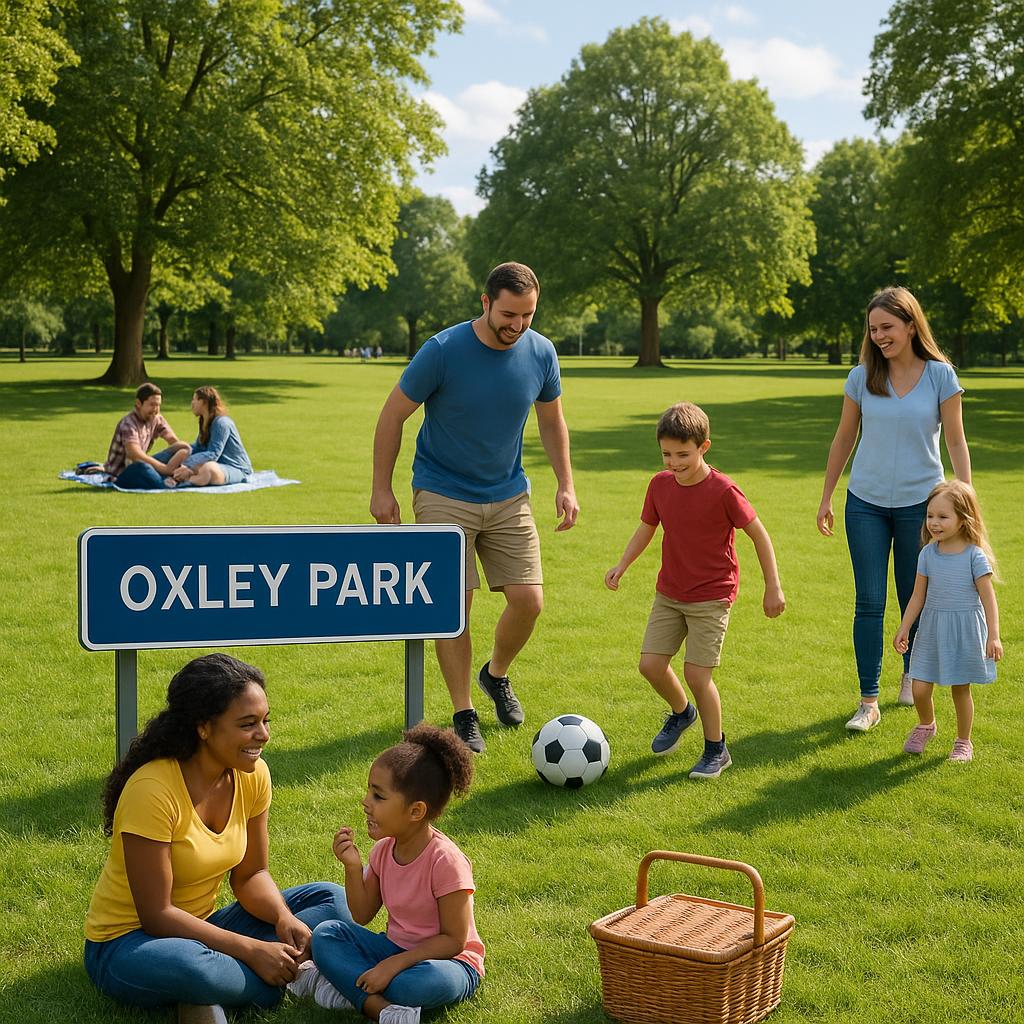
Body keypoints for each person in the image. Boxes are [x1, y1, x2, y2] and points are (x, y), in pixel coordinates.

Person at [369, 261, 579, 753]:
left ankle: (495, 674)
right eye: (509, 314)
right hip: (443, 490)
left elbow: (552, 423)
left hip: (508, 492)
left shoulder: (541, 352)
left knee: (529, 600)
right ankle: (464, 711)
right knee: (454, 607)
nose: (518, 325)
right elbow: (392, 415)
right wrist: (382, 489)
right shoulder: (443, 351)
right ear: (485, 303)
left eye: (527, 315)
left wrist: (566, 483)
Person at [83, 654, 351, 1023]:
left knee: (333, 901)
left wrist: (282, 918)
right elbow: (157, 916)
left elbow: (251, 874)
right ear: (204, 727)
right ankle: (291, 977)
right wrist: (252, 950)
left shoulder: (252, 775)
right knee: (196, 969)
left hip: (206, 926)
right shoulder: (152, 790)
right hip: (130, 943)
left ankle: (217, 993)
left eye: (265, 721)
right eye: (247, 724)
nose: (263, 735)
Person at [817, 287, 972, 732]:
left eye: (887, 327)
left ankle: (910, 675)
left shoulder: (941, 376)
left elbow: (956, 441)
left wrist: (965, 497)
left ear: (910, 324)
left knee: (913, 596)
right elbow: (844, 439)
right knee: (868, 600)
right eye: (873, 329)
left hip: (921, 508)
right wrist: (828, 496)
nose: (880, 336)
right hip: (864, 502)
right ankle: (868, 701)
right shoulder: (861, 377)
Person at [604, 402, 785, 779]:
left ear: (704, 447)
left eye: (682, 455)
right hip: (670, 591)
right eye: (667, 454)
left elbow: (759, 535)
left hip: (712, 596)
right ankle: (682, 712)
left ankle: (716, 749)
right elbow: (646, 528)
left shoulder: (723, 490)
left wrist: (773, 586)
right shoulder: (659, 485)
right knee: (650, 665)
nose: (673, 462)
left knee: (697, 675)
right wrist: (622, 564)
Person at [289, 725, 483, 1024]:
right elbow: (362, 914)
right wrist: (353, 867)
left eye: (378, 796)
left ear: (416, 811)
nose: (366, 801)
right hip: (394, 950)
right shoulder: (382, 850)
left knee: (415, 983)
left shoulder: (446, 861)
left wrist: (393, 965)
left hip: (449, 964)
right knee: (327, 934)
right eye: (369, 791)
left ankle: (341, 986)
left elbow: (454, 941)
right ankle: (378, 1007)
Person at [894, 481, 1002, 762]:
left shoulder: (974, 556)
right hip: (931, 628)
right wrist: (904, 627)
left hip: (964, 630)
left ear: (963, 519)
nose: (934, 523)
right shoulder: (928, 554)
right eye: (930, 516)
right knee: (919, 686)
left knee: (960, 688)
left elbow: (989, 599)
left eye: (943, 517)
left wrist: (994, 636)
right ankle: (926, 724)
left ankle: (963, 742)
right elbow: (917, 596)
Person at [82, 382, 191, 487]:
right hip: (123, 473)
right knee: (143, 467)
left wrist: (182, 466)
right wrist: (164, 469)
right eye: (152, 405)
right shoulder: (128, 424)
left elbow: (173, 440)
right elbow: (135, 454)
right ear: (138, 403)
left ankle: (173, 477)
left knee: (185, 447)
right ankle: (167, 480)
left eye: (158, 405)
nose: (156, 410)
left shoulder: (156, 418)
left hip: (142, 464)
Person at [171, 386, 253, 487]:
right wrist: (181, 453)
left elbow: (213, 453)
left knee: (207, 468)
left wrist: (186, 463)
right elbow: (198, 447)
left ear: (203, 402)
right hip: (218, 465)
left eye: (194, 400)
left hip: (236, 468)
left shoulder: (222, 423)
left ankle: (186, 479)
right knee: (191, 461)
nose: (192, 403)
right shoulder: (204, 422)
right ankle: (185, 477)